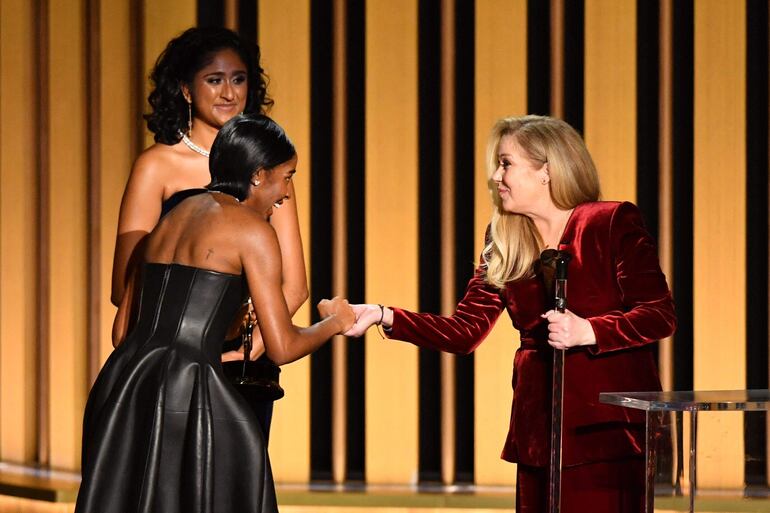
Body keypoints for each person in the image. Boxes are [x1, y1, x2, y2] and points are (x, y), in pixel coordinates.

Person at [346, 115, 676, 513]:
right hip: (539, 428)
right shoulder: (503, 236)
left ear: (547, 171)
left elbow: (659, 314)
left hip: (608, 429)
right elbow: (464, 331)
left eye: (506, 163)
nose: (495, 176)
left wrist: (589, 330)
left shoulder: (610, 222)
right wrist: (383, 315)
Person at [76, 114, 354, 513]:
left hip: (121, 386)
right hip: (187, 395)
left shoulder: (171, 218)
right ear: (258, 175)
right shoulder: (254, 231)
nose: (287, 193)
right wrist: (336, 322)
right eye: (287, 176)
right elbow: (283, 347)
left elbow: (123, 332)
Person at [111, 27, 306, 440]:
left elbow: (295, 284)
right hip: (171, 362)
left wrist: (254, 345)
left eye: (238, 79)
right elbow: (125, 286)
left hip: (248, 365)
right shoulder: (156, 166)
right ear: (185, 89)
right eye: (214, 80)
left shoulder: (271, 167)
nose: (229, 93)